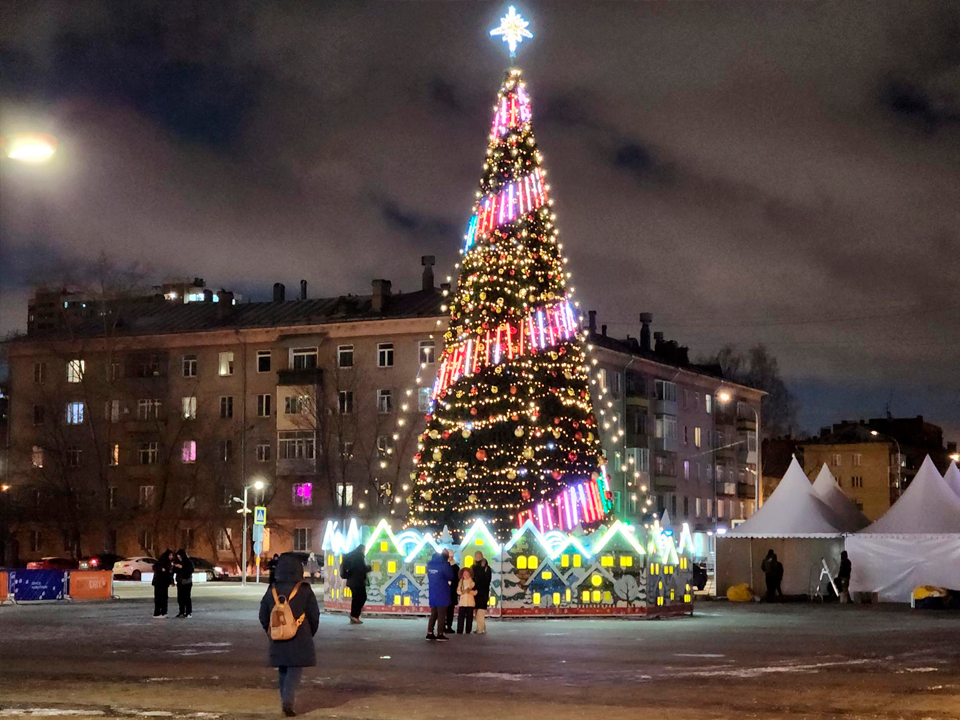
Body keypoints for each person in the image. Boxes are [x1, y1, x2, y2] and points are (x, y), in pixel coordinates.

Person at [259, 553, 320, 717]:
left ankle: (284, 699)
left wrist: (270, 631)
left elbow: (263, 614)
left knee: (283, 669)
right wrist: (309, 633)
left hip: (277, 636)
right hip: (300, 637)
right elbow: (314, 615)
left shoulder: (272, 589)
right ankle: (288, 701)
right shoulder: (305, 589)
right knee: (294, 670)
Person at [426, 549, 454, 641]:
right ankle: (440, 633)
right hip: (442, 592)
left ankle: (430, 632)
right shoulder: (444, 565)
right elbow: (450, 576)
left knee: (434, 612)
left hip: (433, 592)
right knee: (442, 613)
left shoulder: (430, 565)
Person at [341, 545, 371, 624]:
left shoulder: (352, 556)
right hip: (357, 581)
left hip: (352, 581)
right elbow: (361, 569)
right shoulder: (358, 557)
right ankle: (354, 615)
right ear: (362, 549)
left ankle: (354, 616)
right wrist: (368, 568)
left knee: (356, 598)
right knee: (361, 597)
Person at [472, 552, 492, 634]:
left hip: (482, 593)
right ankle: (481, 628)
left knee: (480, 611)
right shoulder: (472, 567)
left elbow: (487, 581)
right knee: (477, 612)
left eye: (479, 555)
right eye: (476, 555)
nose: (477, 557)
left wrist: (477, 586)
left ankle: (480, 629)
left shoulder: (486, 568)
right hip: (475, 593)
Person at [172, 549, 194, 618]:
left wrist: (182, 567)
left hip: (187, 582)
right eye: (178, 557)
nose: (179, 558)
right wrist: (175, 567)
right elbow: (174, 571)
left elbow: (191, 570)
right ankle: (181, 611)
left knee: (187, 597)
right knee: (180, 598)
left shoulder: (188, 562)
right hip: (180, 582)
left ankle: (188, 612)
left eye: (180, 557)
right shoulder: (177, 562)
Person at [152, 550, 173, 618]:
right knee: (159, 598)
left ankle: (164, 612)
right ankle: (157, 613)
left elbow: (169, 573)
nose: (171, 557)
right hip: (159, 583)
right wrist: (161, 569)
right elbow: (155, 567)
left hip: (164, 583)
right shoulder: (161, 562)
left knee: (164, 597)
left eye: (172, 555)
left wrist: (171, 581)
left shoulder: (169, 563)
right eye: (170, 555)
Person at [456, 567, 477, 634]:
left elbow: (476, 592)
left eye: (467, 574)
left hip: (470, 602)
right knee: (460, 617)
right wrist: (462, 592)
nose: (466, 575)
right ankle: (459, 630)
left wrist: (469, 592)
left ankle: (468, 630)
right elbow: (458, 591)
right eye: (464, 574)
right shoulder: (460, 582)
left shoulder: (472, 582)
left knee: (469, 617)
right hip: (462, 602)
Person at [445, 552, 460, 634]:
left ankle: (449, 626)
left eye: (451, 556)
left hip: (452, 592)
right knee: (444, 610)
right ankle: (443, 625)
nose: (450, 558)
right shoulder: (444, 566)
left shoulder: (456, 567)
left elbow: (457, 579)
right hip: (444, 592)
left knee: (450, 610)